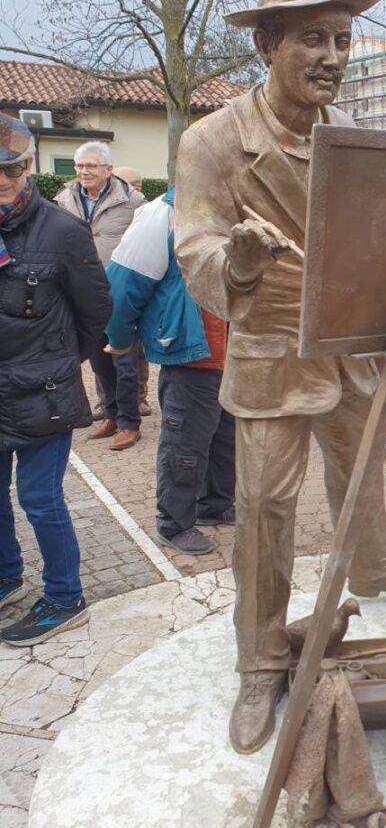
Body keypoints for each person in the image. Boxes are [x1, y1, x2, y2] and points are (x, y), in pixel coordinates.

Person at [173, 0, 386, 755]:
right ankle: (260, 658)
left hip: (348, 344)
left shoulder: (350, 135)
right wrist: (236, 263)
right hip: (271, 353)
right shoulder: (214, 142)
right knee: (263, 507)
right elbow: (193, 247)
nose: (333, 56)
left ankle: (374, 566)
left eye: (343, 39)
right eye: (313, 38)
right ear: (268, 43)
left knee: (361, 472)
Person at [0, 116, 111, 646]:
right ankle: (7, 576)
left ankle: (66, 598)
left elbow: (96, 312)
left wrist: (59, 363)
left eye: (11, 169)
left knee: (40, 499)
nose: (2, 180)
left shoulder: (63, 230)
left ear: (28, 167)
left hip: (43, 392)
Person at [105, 187, 235, 555]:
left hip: (235, 353)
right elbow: (123, 285)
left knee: (226, 437)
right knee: (185, 444)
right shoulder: (162, 214)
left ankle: (215, 504)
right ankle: (174, 523)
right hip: (191, 352)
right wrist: (120, 338)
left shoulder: (241, 206)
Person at [56, 142, 146, 450]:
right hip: (83, 293)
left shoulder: (133, 201)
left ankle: (130, 423)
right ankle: (111, 415)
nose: (84, 171)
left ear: (108, 169)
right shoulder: (64, 199)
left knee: (124, 359)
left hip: (119, 289)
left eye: (91, 166)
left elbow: (147, 243)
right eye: (80, 165)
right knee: (97, 361)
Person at [112, 166, 152, 418]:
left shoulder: (145, 209)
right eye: (130, 184)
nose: (136, 188)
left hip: (135, 283)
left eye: (138, 184)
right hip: (110, 281)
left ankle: (140, 396)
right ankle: (106, 401)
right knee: (106, 348)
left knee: (137, 348)